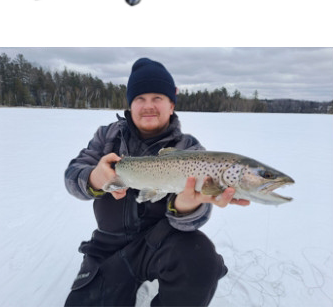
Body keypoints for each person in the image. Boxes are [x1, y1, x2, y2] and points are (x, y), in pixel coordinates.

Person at [64, 58, 249, 306]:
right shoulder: (107, 136)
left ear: (171, 105)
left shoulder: (189, 149)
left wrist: (186, 206)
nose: (148, 106)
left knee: (201, 258)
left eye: (157, 98)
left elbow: (196, 218)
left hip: (159, 244)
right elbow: (72, 175)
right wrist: (94, 178)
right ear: (130, 104)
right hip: (107, 245)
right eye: (140, 98)